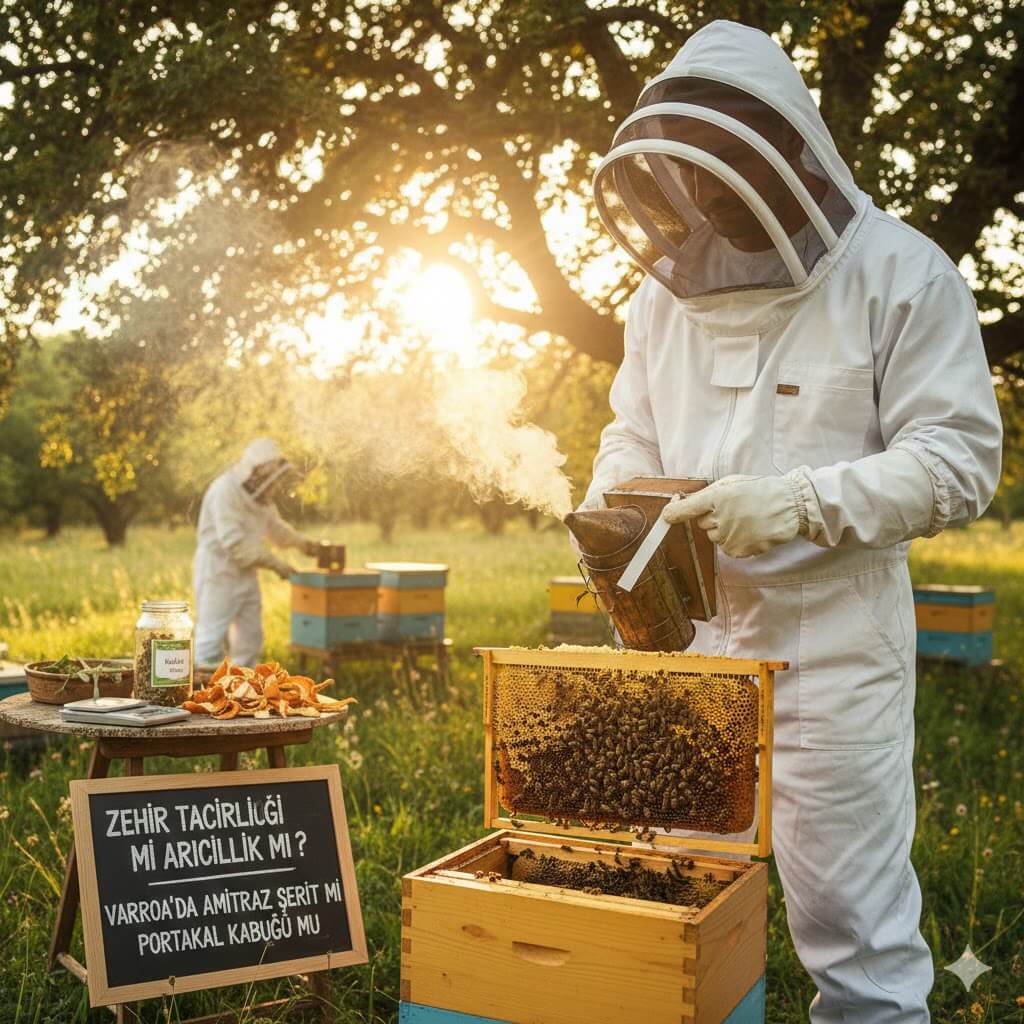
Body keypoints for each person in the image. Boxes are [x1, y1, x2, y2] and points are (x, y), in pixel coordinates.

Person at [583, 20, 1002, 1023]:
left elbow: (959, 462)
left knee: (856, 936)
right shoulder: (661, 298)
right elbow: (630, 426)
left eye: (728, 170)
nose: (710, 196)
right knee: (678, 914)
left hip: (831, 658)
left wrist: (800, 500)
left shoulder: (901, 274)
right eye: (694, 175)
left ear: (789, 149)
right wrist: (617, 495)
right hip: (689, 652)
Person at [193, 438, 321, 667]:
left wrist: (305, 545)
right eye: (270, 478)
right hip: (219, 571)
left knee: (250, 639)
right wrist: (276, 564)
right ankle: (205, 685)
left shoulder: (262, 499)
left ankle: (246, 686)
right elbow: (235, 545)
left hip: (247, 572)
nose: (274, 485)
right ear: (255, 472)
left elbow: (276, 529)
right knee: (211, 639)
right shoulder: (225, 491)